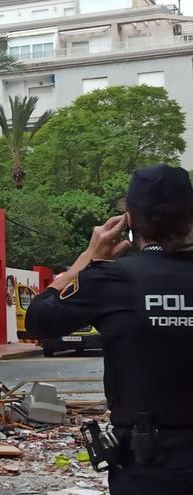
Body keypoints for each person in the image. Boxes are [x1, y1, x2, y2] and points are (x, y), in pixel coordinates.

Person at [26, 164, 193, 495]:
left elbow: (39, 319)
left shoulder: (112, 279)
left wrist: (88, 258)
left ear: (129, 220)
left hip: (148, 467)